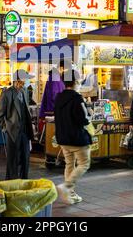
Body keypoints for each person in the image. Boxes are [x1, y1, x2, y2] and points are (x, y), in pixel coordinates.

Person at [54, 69, 92, 205]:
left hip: (63, 139)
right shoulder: (77, 98)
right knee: (84, 164)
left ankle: (70, 194)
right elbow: (84, 119)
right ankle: (67, 186)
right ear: (76, 81)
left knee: (69, 164)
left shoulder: (59, 97)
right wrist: (89, 114)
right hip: (77, 139)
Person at [0, 69, 35, 180]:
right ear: (18, 80)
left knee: (25, 158)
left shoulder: (24, 91)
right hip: (12, 131)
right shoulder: (7, 93)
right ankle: (11, 182)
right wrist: (6, 127)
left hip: (25, 131)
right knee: (13, 159)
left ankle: (23, 180)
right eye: (25, 79)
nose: (27, 81)